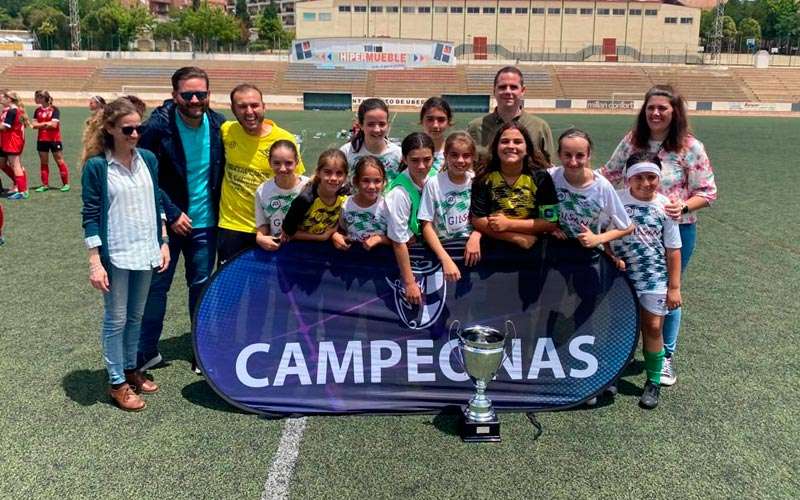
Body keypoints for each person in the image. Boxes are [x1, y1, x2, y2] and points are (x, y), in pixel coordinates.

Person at [601, 84, 717, 386]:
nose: (655, 113)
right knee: (624, 290)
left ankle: (664, 356)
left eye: (662, 108)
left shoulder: (690, 147)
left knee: (667, 291)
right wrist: (575, 181)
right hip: (627, 232)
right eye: (651, 107)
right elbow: (610, 173)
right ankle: (622, 353)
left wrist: (683, 206)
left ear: (675, 112)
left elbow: (707, 191)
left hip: (675, 229)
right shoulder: (632, 141)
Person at [80, 97, 170, 411]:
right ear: (110, 128)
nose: (134, 134)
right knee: (115, 319)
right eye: (127, 129)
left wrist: (164, 241)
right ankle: (117, 382)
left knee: (135, 317)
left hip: (146, 250)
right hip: (115, 254)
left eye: (138, 128)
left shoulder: (147, 158)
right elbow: (90, 214)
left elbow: (156, 202)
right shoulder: (97, 166)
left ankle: (132, 369)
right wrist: (95, 260)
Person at [137, 66, 227, 373]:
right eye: (187, 94)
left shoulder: (218, 125)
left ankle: (201, 352)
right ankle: (146, 351)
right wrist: (172, 213)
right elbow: (145, 174)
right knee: (156, 287)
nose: (194, 99)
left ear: (208, 95)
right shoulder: (157, 128)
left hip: (206, 225)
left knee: (201, 286)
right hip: (166, 225)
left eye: (200, 94)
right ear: (175, 94)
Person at [608, 154, 682, 409]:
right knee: (620, 326)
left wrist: (674, 287)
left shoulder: (666, 207)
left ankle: (653, 381)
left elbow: (673, 249)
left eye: (651, 177)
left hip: (653, 277)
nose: (645, 183)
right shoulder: (615, 199)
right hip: (621, 276)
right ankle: (612, 375)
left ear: (659, 179)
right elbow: (603, 235)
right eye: (639, 177)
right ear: (629, 178)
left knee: (652, 327)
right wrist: (610, 256)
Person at [217, 83, 304, 264]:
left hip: (272, 228)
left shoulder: (284, 139)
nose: (249, 111)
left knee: (266, 289)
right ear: (233, 109)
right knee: (230, 288)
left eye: (254, 105)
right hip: (233, 226)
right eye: (242, 106)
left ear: (264, 106)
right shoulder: (226, 131)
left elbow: (299, 183)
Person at [470, 123, 559, 250]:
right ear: (496, 147)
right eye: (505, 141)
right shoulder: (484, 176)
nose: (511, 146)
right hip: (494, 247)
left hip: (534, 247)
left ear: (527, 148)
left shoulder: (541, 177)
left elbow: (550, 222)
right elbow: (478, 220)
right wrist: (515, 237)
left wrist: (509, 224)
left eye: (517, 142)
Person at [549, 128, 633, 246]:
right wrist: (550, 227)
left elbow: (627, 227)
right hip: (556, 248)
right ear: (559, 155)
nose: (573, 162)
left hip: (588, 253)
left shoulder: (601, 186)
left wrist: (597, 239)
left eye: (580, 156)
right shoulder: (551, 177)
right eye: (567, 155)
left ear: (588, 156)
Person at [419, 132, 482, 281]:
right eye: (454, 155)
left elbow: (485, 217)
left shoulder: (477, 181)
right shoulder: (433, 183)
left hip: (472, 250)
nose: (460, 160)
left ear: (473, 157)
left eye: (466, 155)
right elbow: (426, 225)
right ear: (446, 155)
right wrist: (445, 259)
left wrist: (476, 235)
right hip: (444, 249)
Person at [387, 132, 435, 305]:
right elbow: (399, 240)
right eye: (415, 160)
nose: (422, 166)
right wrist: (409, 282)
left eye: (427, 159)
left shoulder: (435, 177)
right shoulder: (399, 193)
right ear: (404, 159)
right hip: (411, 259)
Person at [467, 66, 554, 162]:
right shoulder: (475, 127)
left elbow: (549, 167)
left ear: (522, 91)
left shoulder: (539, 127)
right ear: (494, 90)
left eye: (513, 87)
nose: (508, 91)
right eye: (502, 87)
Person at [254, 140, 310, 252]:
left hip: (307, 248)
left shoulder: (309, 186)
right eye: (277, 163)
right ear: (269, 162)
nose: (283, 168)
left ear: (297, 162)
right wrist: (260, 238)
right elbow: (263, 225)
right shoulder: (262, 190)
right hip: (278, 249)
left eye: (288, 163)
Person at [281, 149, 348, 242]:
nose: (333, 178)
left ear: (345, 176)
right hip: (301, 246)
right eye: (328, 172)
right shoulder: (305, 200)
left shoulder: (346, 195)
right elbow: (287, 231)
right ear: (318, 172)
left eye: (339, 173)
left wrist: (334, 233)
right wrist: (322, 237)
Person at [332, 156, 390, 251]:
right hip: (353, 256)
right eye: (366, 180)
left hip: (380, 258)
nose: (371, 186)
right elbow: (341, 229)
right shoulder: (345, 205)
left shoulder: (387, 207)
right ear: (355, 181)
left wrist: (379, 239)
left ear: (384, 182)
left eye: (377, 181)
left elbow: (397, 239)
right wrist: (336, 236)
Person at [340, 98, 402, 185]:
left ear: (388, 125)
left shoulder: (398, 154)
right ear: (361, 125)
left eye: (382, 124)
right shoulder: (346, 152)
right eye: (371, 124)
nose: (377, 130)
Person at [31, 90, 70, 192]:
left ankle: (66, 184)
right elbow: (33, 125)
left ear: (43, 98)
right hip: (41, 140)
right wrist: (46, 124)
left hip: (54, 140)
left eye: (37, 97)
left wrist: (41, 124)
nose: (35, 99)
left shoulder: (55, 110)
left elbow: (54, 125)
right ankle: (45, 185)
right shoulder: (37, 110)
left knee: (59, 161)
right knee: (44, 162)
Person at [1, 91, 31, 200]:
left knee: (16, 165)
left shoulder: (13, 111)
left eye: (5, 97)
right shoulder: (12, 110)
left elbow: (5, 127)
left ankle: (22, 192)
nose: (2, 98)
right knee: (10, 165)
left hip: (13, 141)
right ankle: (21, 188)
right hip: (10, 141)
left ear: (10, 99)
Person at [419, 97, 453, 173]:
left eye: (441, 120)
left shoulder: (456, 154)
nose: (435, 125)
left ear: (448, 122)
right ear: (422, 120)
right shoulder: (409, 151)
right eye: (430, 119)